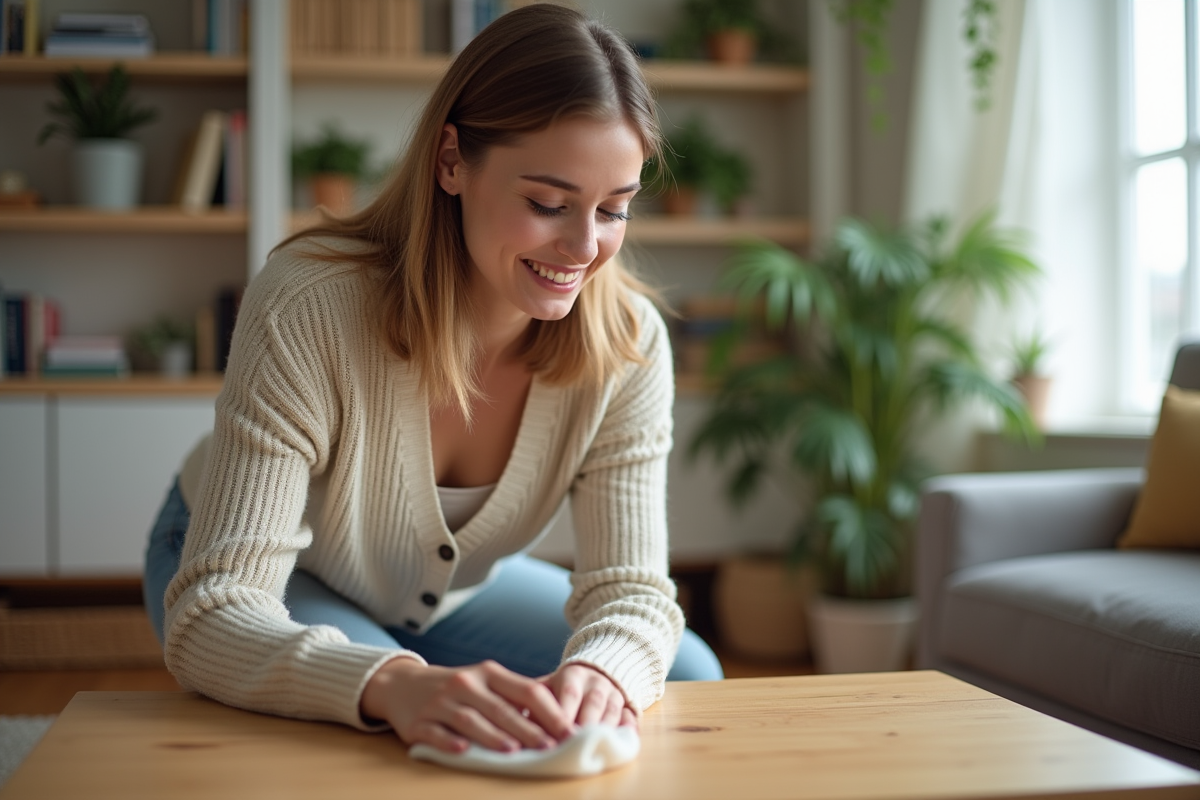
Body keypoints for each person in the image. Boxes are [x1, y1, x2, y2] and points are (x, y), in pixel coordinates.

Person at [143, 3, 723, 757]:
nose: (584, 247)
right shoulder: (308, 304)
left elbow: (633, 591)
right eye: (548, 203)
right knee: (380, 740)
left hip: (445, 598)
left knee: (680, 670)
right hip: (262, 568)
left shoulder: (628, 344)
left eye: (614, 210)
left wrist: (598, 671)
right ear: (451, 160)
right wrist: (391, 681)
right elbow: (218, 612)